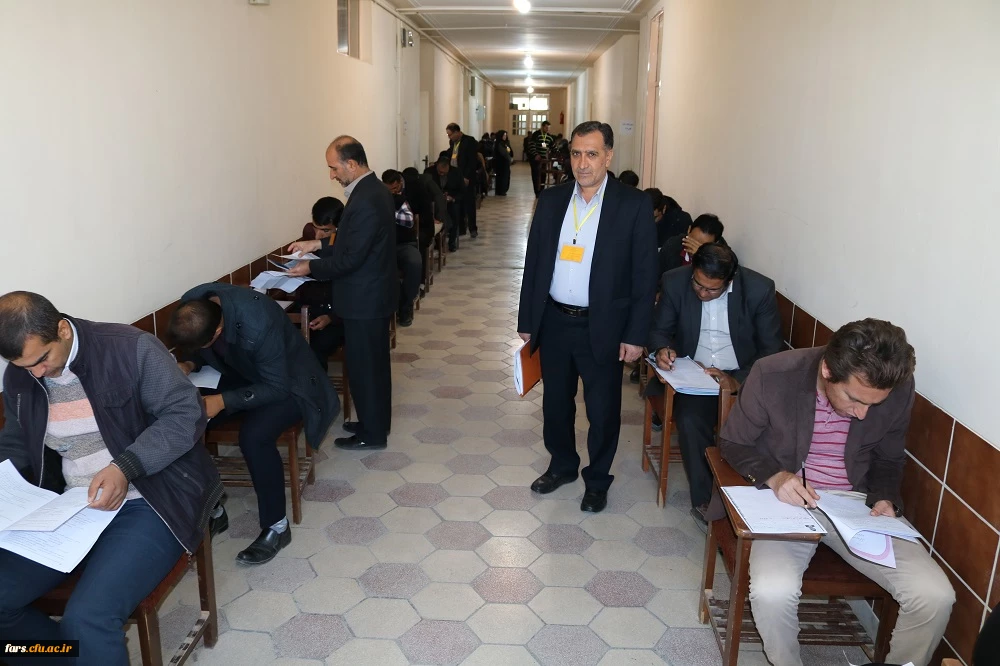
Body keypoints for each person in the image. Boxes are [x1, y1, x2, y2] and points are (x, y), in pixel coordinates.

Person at [0, 291, 223, 665]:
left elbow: (185, 415)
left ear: (62, 330)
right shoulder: (22, 374)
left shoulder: (129, 348)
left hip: (150, 498)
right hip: (73, 506)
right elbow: (17, 441)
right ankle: (67, 657)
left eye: (42, 360)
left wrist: (125, 467)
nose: (36, 373)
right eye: (24, 366)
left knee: (88, 620)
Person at [719, 319, 955, 666]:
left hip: (855, 505)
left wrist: (885, 495)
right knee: (772, 591)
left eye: (874, 405)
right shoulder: (774, 373)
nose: (862, 414)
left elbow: (889, 459)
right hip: (786, 501)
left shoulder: (899, 387)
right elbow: (733, 442)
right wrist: (776, 477)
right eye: (854, 399)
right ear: (828, 370)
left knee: (935, 595)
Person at [518, 120, 657, 513]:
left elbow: (645, 276)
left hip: (604, 326)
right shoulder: (551, 200)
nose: (582, 163)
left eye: (592, 154)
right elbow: (534, 263)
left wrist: (636, 335)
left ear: (608, 156)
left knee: (602, 409)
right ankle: (562, 466)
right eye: (576, 154)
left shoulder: (632, 205)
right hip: (554, 321)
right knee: (556, 404)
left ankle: (597, 480)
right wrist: (527, 321)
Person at [169, 284, 338, 564]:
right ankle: (213, 509)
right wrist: (188, 364)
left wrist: (222, 401)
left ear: (218, 331)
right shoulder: (193, 306)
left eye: (202, 345)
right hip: (240, 372)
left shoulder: (259, 321)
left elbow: (276, 387)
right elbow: (199, 348)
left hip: (289, 383)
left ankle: (277, 527)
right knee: (183, 418)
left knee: (254, 437)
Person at [646, 243, 783, 523]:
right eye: (698, 284)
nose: (702, 293)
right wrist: (662, 350)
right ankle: (707, 502)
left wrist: (737, 380)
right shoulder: (675, 281)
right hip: (694, 375)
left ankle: (755, 503)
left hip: (743, 376)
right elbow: (659, 330)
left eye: (712, 290)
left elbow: (771, 351)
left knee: (763, 427)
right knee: (690, 420)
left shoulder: (758, 289)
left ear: (730, 280)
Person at [287, 136, 396, 452]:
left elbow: (351, 258)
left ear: (351, 163)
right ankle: (373, 423)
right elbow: (351, 241)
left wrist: (310, 267)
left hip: (365, 300)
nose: (332, 175)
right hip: (368, 297)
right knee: (370, 367)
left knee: (367, 369)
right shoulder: (370, 191)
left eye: (334, 168)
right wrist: (316, 244)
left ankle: (372, 434)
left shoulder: (367, 198)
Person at [381, 169, 422, 327]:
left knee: (414, 263)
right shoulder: (377, 199)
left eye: (393, 188)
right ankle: (393, 304)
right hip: (384, 246)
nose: (391, 192)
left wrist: (389, 214)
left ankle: (405, 307)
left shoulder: (400, 200)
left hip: (404, 244)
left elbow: (409, 220)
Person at [658, 213, 725, 278]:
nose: (694, 247)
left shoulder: (722, 257)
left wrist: (701, 257)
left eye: (702, 245)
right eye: (692, 241)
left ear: (715, 243)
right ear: (689, 230)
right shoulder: (672, 245)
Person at [445, 123, 480, 238]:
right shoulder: (452, 143)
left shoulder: (469, 141)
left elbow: (472, 161)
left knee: (469, 203)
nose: (449, 137)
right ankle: (461, 228)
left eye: (450, 134)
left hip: (466, 177)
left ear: (457, 132)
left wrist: (467, 177)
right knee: (457, 202)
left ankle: (472, 228)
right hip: (455, 176)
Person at [426, 156, 464, 252]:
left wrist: (453, 198)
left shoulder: (456, 172)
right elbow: (426, 190)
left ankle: (451, 242)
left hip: (451, 201)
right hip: (435, 202)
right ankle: (438, 242)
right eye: (440, 172)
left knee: (455, 214)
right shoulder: (429, 172)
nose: (442, 174)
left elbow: (462, 191)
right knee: (435, 213)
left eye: (444, 173)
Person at [527, 120, 554, 197]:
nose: (547, 129)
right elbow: (531, 146)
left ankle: (542, 191)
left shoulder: (549, 136)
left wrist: (557, 154)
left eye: (549, 128)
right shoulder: (536, 134)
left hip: (543, 159)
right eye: (546, 127)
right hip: (535, 158)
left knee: (543, 174)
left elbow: (553, 147)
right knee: (536, 174)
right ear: (542, 127)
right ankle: (537, 191)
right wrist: (536, 155)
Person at [493, 129, 514, 196]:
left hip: (506, 163)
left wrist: (511, 157)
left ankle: (504, 190)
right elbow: (504, 153)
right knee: (502, 177)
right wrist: (509, 159)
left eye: (506, 135)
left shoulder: (506, 143)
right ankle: (500, 191)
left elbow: (509, 151)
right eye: (504, 135)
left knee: (506, 176)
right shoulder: (499, 143)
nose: (505, 136)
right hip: (501, 163)